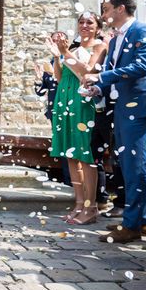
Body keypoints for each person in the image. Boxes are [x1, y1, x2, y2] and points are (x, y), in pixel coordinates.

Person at [84, 0, 146, 243]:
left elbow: (141, 67)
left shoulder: (143, 31)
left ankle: (132, 224)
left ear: (120, 8)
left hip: (139, 106)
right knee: (126, 164)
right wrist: (97, 89)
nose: (103, 14)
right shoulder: (114, 41)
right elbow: (114, 72)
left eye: (106, 9)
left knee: (134, 164)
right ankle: (144, 221)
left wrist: (100, 77)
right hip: (121, 106)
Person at [49, 12, 106, 225]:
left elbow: (88, 73)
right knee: (71, 155)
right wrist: (58, 56)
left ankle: (92, 207)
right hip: (65, 100)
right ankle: (79, 203)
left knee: (85, 155)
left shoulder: (99, 47)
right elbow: (60, 77)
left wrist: (64, 52)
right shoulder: (72, 49)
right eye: (81, 22)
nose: (84, 25)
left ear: (98, 27)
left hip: (84, 104)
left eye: (89, 22)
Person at [34, 31, 70, 186]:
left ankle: (75, 183)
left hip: (70, 108)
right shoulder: (49, 63)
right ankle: (68, 180)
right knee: (61, 145)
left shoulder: (70, 60)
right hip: (55, 110)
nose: (55, 43)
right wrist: (38, 79)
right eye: (53, 41)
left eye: (59, 40)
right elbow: (41, 92)